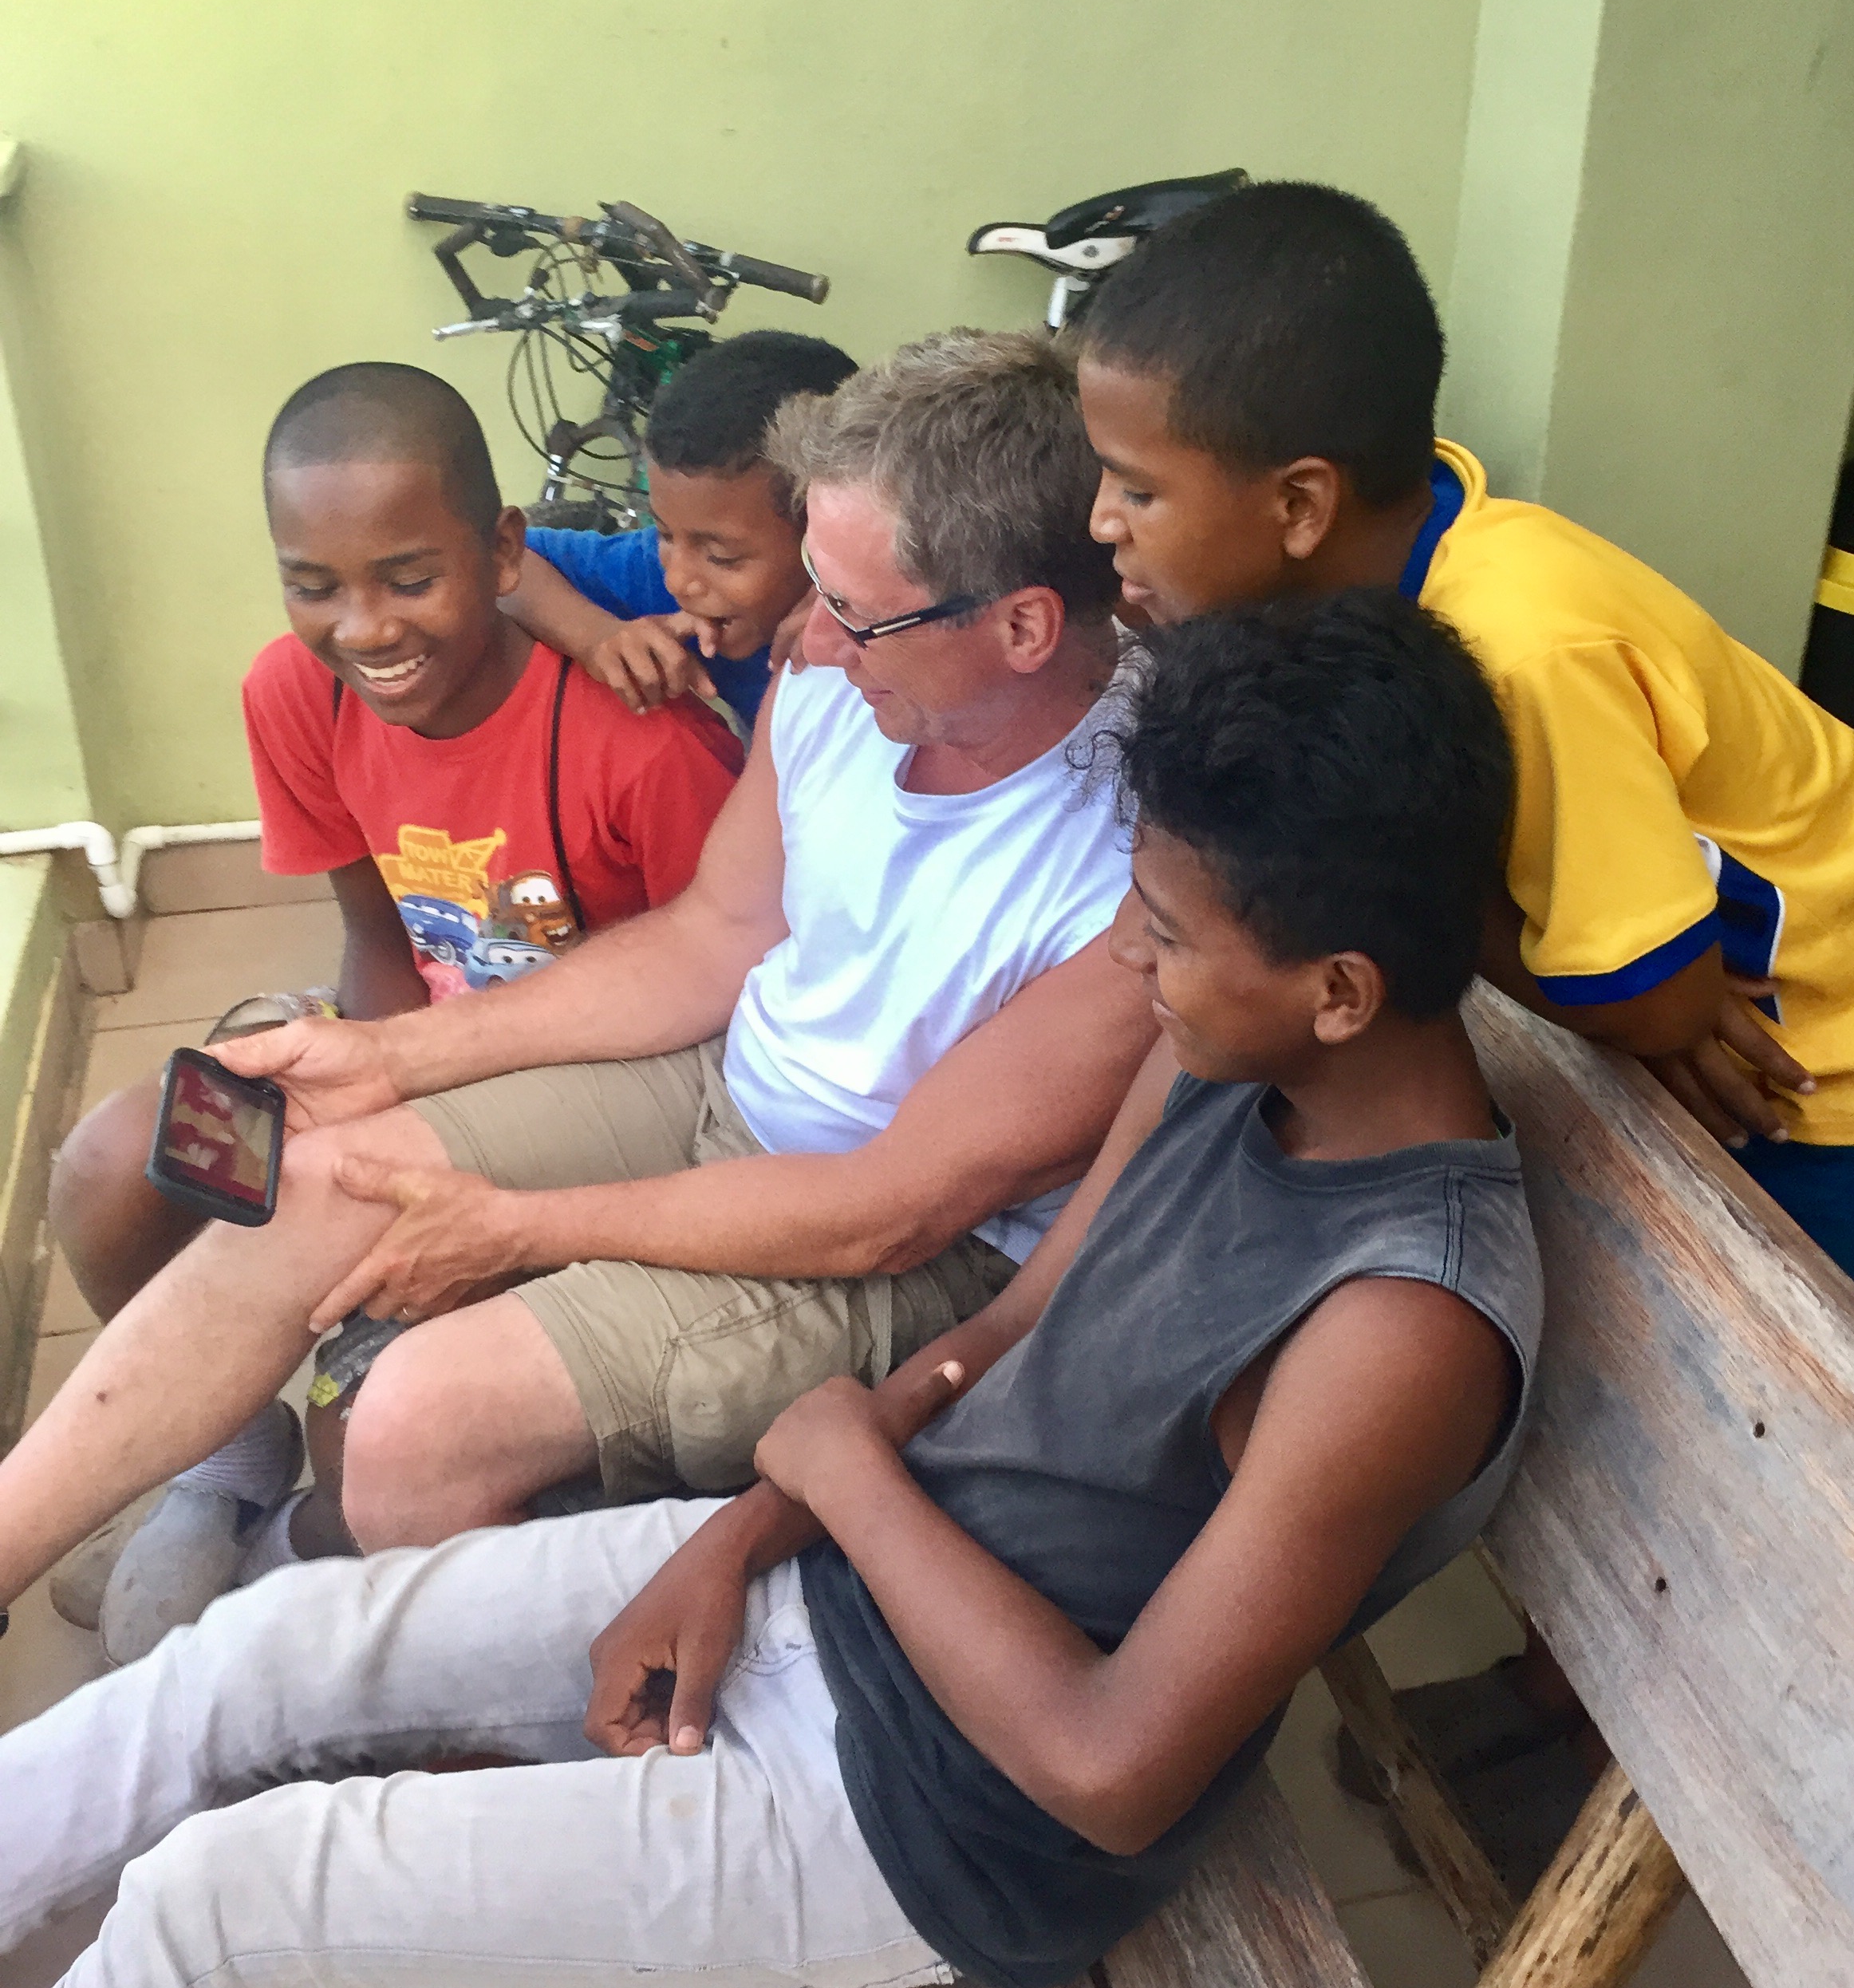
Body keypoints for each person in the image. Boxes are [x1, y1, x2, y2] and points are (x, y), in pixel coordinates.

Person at [0, 592, 1542, 1988]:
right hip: (843, 1581)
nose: (1124, 956)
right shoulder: (1239, 1061)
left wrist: (841, 1474)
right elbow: (1014, 1321)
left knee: (221, 1912)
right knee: (246, 1657)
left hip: (937, 1816)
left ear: (1339, 988)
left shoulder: (1400, 1322)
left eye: (1163, 926)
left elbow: (1109, 1767)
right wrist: (745, 1533)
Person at [0, 327, 1152, 1631]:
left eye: (849, 608)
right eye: (815, 588)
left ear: (1021, 624)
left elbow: (883, 1212)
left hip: (910, 1247)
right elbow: (714, 932)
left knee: (416, 1424)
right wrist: (388, 1053)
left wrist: (523, 1225)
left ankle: (411, 1674)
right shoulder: (842, 674)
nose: (802, 638)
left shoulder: (1139, 862)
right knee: (317, 1177)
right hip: (735, 1078)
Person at [1071, 176, 1854, 1864]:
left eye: (1136, 488)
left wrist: (1441, 907)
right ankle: (1566, 1709)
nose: (1103, 523)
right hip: (1784, 1043)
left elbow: (1658, 994)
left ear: (1300, 502)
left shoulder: (1515, 639)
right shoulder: (1406, 564)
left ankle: (1687, 1773)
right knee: (1627, 1388)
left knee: (1770, 1452)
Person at [45, 363, 743, 1659]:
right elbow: (379, 935)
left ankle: (302, 1523)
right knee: (116, 1166)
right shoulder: (295, 692)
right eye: (314, 584)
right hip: (389, 1039)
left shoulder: (645, 746)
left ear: (502, 554)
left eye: (408, 578)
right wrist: (357, 1088)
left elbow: (705, 1018)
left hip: (581, 1098)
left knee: (367, 1423)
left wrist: (417, 1153)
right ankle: (220, 1458)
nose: (363, 626)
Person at [506, 329, 855, 738]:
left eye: (723, 557)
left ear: (829, 528)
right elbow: (504, 564)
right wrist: (596, 636)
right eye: (665, 534)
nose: (678, 580)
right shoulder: (666, 578)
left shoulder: (899, 627)